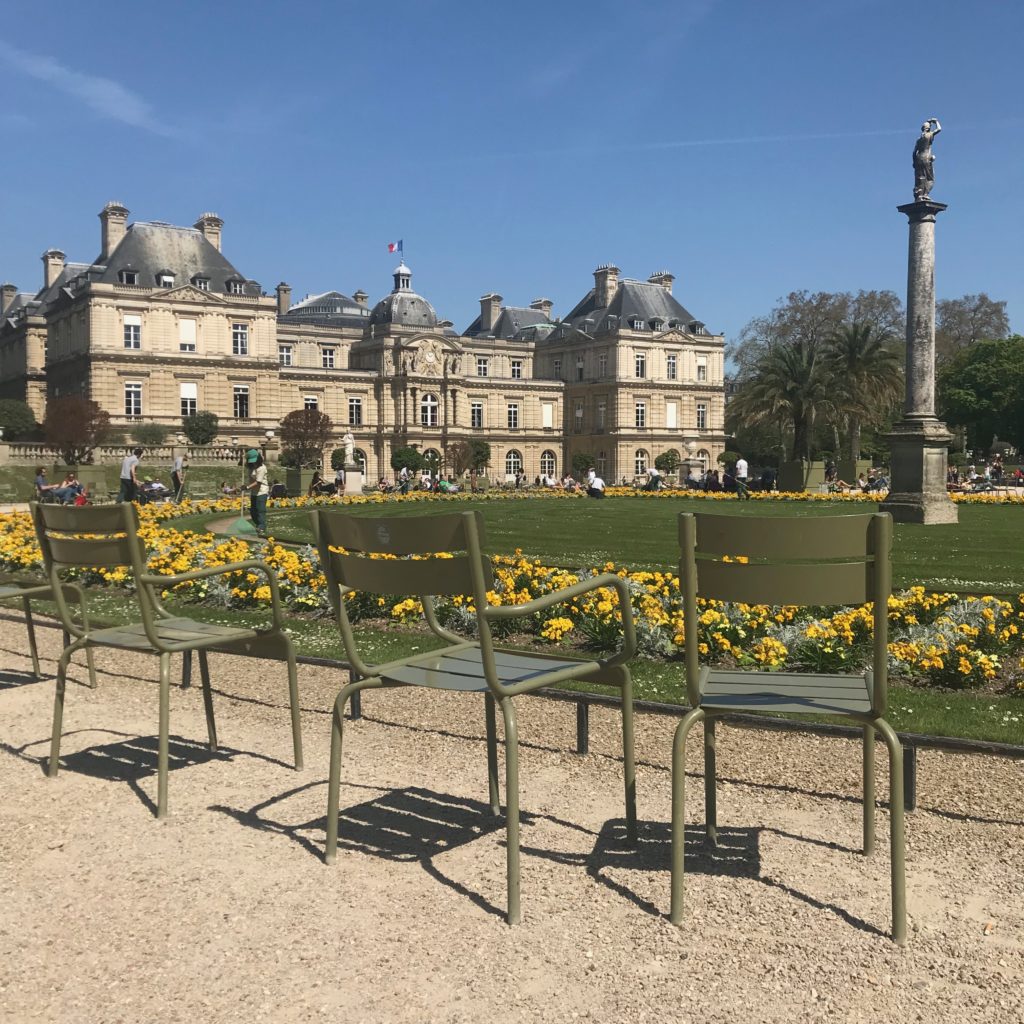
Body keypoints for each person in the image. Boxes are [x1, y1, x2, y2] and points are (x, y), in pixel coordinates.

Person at [913, 118, 941, 201]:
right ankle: (925, 194)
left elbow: (914, 152)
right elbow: (939, 129)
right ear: (928, 128)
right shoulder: (929, 135)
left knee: (920, 177)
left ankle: (919, 195)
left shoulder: (919, 139)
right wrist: (935, 121)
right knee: (930, 178)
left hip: (918, 159)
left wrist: (914, 162)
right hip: (926, 158)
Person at [244, 448, 269, 538]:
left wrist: (247, 487)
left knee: (260, 510)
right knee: (253, 511)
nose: (253, 463)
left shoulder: (262, 468)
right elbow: (251, 479)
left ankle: (261, 527)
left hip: (262, 491)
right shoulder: (251, 468)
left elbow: (258, 482)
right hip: (254, 492)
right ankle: (258, 525)